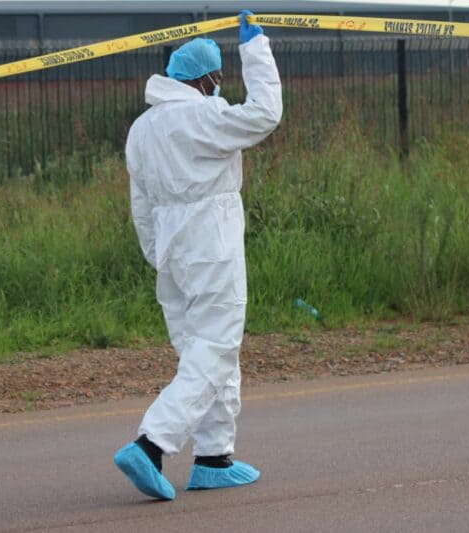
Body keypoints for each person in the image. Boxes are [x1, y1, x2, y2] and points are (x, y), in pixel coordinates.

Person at [114, 11, 282, 501]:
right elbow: (264, 114)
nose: (219, 85)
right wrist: (256, 49)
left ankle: (213, 457)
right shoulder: (205, 115)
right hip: (211, 244)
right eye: (218, 78)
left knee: (202, 351)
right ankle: (151, 444)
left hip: (171, 251)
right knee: (215, 349)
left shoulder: (141, 129)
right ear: (206, 78)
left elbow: (140, 206)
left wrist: (158, 255)